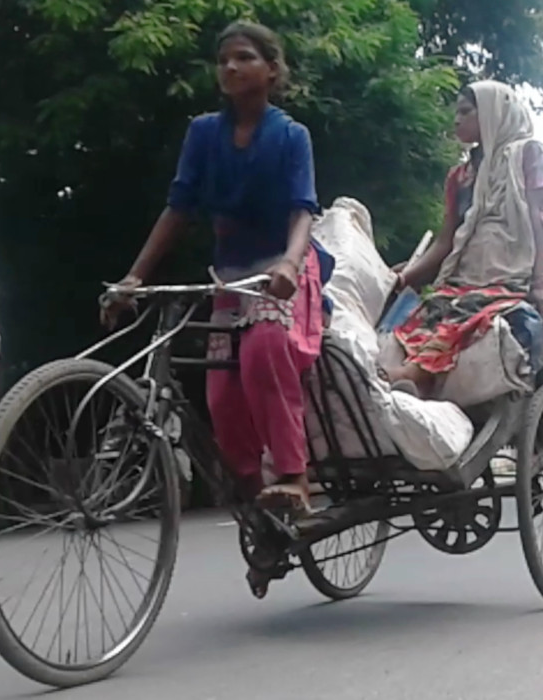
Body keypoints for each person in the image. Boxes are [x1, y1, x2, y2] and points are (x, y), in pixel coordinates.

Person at [101, 21, 331, 517]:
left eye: (244, 57)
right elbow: (178, 208)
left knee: (263, 352)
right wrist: (133, 278)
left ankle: (295, 477)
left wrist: (290, 263)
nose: (230, 67)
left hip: (282, 270)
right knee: (221, 390)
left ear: (272, 70)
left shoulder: (291, 135)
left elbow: (302, 210)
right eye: (224, 59)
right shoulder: (204, 133)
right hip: (229, 275)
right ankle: (254, 494)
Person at [382, 80, 543, 398]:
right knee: (423, 314)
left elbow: (537, 219)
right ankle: (417, 381)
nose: (456, 120)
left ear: (492, 113)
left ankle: (413, 375)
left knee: (467, 312)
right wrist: (401, 279)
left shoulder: (528, 153)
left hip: (521, 272)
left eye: (466, 112)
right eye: (456, 112)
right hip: (468, 273)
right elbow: (446, 242)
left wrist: (540, 282)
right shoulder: (459, 176)